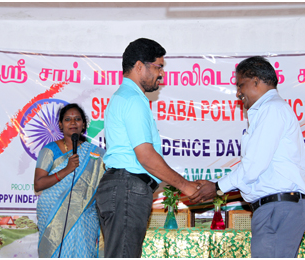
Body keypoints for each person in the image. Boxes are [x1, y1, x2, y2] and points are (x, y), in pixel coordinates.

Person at [190, 56, 305, 258]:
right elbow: (254, 167)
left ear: (255, 80)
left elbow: (253, 166)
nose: (238, 93)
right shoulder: (269, 109)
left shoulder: (271, 109)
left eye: (240, 85)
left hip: (278, 209)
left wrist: (217, 188)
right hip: (277, 209)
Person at [95, 38, 199, 258]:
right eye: (158, 67)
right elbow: (145, 156)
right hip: (127, 188)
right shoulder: (133, 99)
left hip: (122, 187)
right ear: (140, 66)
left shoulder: (124, 97)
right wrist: (186, 186)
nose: (161, 73)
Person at [34, 103, 106, 258]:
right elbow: (39, 183)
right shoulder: (49, 150)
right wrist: (67, 169)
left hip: (84, 215)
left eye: (77, 119)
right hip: (53, 216)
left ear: (84, 124)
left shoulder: (96, 154)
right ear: (60, 124)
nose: (73, 123)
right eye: (68, 119)